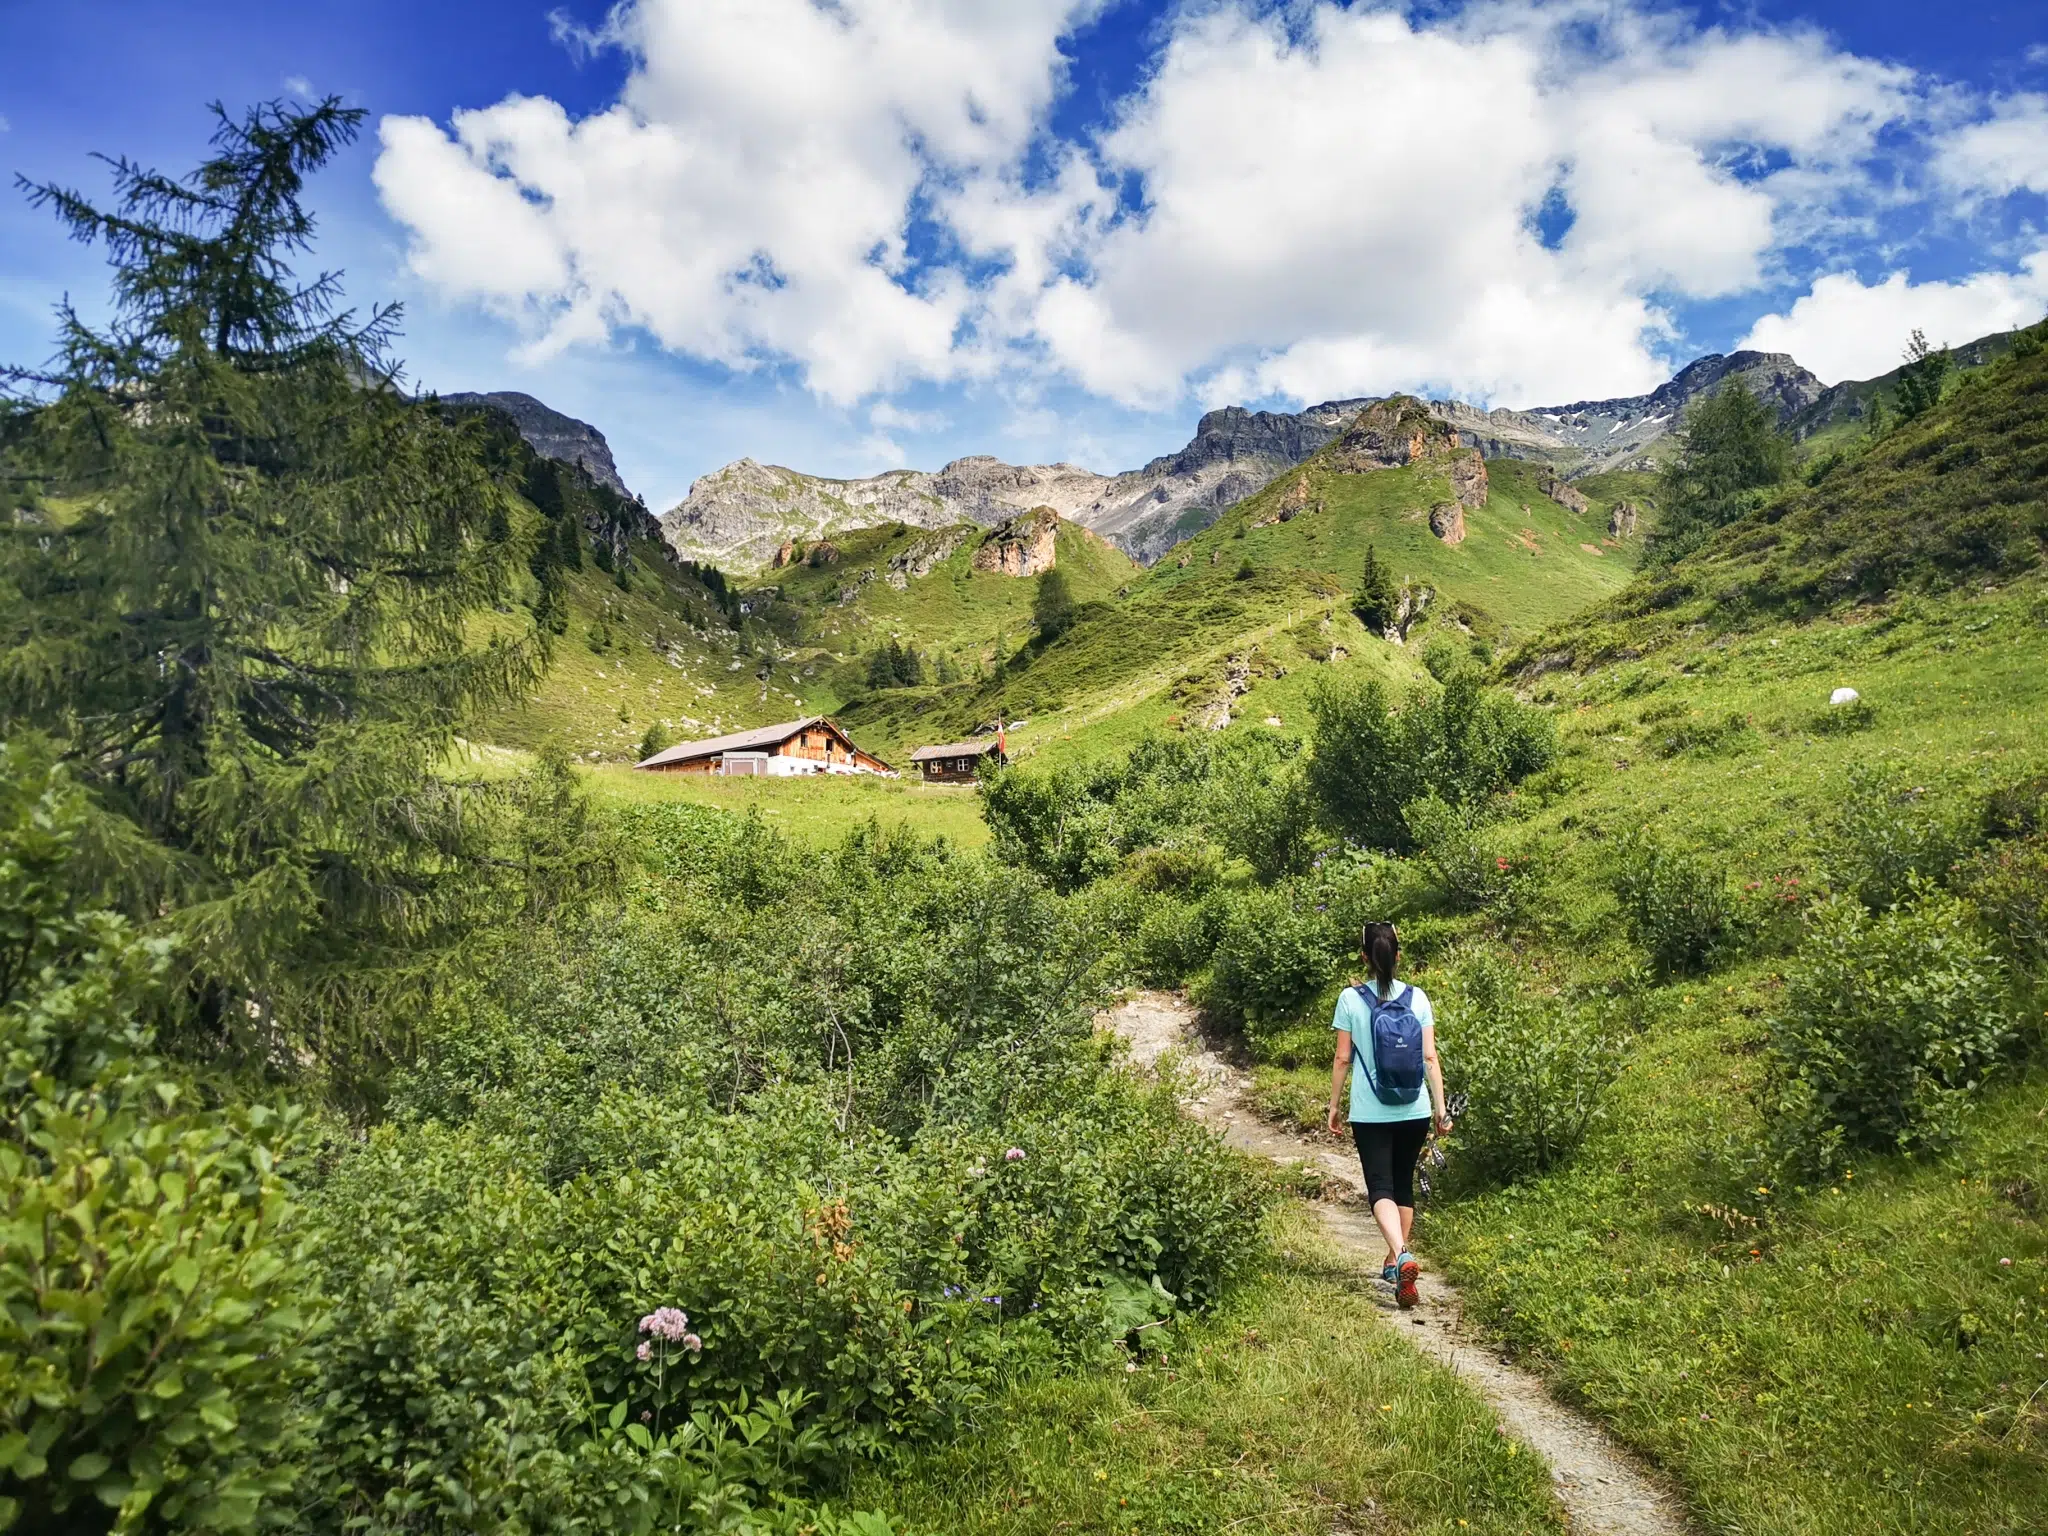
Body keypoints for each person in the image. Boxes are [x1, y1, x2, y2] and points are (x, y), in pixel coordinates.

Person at [1325, 921, 1450, 1308]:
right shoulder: (1419, 997)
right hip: (1415, 1107)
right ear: (1398, 956)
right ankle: (1396, 1262)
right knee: (1402, 1184)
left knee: (1379, 1185)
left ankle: (1401, 1254)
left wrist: (1333, 1105)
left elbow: (1343, 1056)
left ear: (1364, 957)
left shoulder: (1350, 998)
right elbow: (1429, 1056)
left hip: (1371, 1109)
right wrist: (1441, 1109)